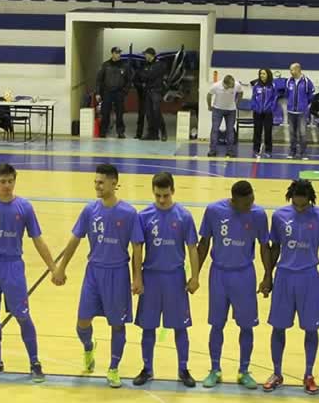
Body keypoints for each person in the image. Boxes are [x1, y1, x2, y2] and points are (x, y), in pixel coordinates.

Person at [52, 164, 144, 389]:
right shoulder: (89, 210)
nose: (97, 186)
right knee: (82, 321)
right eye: (95, 182)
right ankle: (88, 346)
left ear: (114, 183)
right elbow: (75, 240)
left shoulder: (129, 213)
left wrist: (137, 277)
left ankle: (113, 368)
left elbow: (137, 248)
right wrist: (61, 267)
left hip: (118, 273)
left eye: (101, 182)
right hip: (93, 272)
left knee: (118, 324)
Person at [0, 163, 57, 383]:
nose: (6, 186)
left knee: (22, 315)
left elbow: (38, 240)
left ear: (15, 181)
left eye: (10, 181)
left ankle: (34, 362)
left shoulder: (24, 207)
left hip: (13, 266)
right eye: (2, 181)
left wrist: (53, 267)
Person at [196, 180, 273, 389]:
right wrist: (194, 274)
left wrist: (268, 275)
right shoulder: (213, 211)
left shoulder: (258, 214)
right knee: (217, 324)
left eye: (252, 201)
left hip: (244, 275)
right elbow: (203, 244)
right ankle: (215, 369)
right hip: (219, 274)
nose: (250, 205)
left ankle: (244, 371)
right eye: (245, 203)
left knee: (247, 326)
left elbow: (265, 246)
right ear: (234, 199)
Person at [264, 179, 319, 394]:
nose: (300, 207)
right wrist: (267, 276)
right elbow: (274, 247)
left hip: (309, 277)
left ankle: (309, 373)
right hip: (284, 275)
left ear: (310, 200)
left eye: (304, 205)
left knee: (311, 328)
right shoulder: (279, 216)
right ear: (291, 198)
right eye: (296, 204)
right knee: (278, 326)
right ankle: (277, 372)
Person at [133, 173, 200, 387]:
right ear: (153, 191)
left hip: (175, 278)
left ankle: (183, 369)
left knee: (180, 327)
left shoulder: (184, 216)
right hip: (151, 277)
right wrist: (137, 278)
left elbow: (192, 248)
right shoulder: (143, 216)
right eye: (158, 195)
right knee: (148, 327)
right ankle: (147, 368)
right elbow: (137, 249)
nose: (162, 199)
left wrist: (195, 277)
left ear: (173, 190)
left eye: (165, 195)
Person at [95, 47, 131, 138]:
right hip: (107, 92)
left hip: (119, 93)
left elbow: (128, 80)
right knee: (105, 113)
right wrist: (98, 93)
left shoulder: (124, 65)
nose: (118, 54)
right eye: (116, 53)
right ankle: (103, 131)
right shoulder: (105, 65)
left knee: (119, 113)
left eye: (119, 53)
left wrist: (124, 92)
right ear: (112, 54)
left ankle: (120, 132)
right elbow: (99, 80)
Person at [206, 75, 242, 158]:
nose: (230, 88)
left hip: (231, 110)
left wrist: (237, 103)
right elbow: (209, 95)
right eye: (228, 87)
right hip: (217, 109)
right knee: (215, 129)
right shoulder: (216, 86)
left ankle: (230, 151)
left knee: (230, 130)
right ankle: (212, 150)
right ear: (224, 84)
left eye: (232, 87)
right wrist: (209, 106)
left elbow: (240, 93)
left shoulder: (237, 85)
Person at [285, 63, 315, 160]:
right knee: (292, 133)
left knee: (302, 133)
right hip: (290, 112)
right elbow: (287, 94)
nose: (291, 72)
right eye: (290, 70)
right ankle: (292, 152)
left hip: (302, 112)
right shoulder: (289, 81)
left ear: (298, 70)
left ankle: (303, 153)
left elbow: (311, 95)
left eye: (292, 70)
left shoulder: (306, 81)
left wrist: (304, 104)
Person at [138, 47, 168, 141]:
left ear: (150, 54)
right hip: (148, 92)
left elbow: (150, 75)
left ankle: (163, 132)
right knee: (149, 114)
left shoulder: (160, 64)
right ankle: (152, 134)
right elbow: (141, 76)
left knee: (157, 112)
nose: (144, 56)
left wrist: (147, 75)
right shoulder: (146, 65)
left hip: (156, 91)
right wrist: (146, 75)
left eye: (145, 54)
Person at [250, 68, 276, 158]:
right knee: (257, 132)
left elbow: (274, 99)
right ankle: (255, 150)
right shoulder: (256, 86)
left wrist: (271, 108)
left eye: (264, 74)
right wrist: (255, 107)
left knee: (268, 132)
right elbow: (253, 98)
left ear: (268, 75)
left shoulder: (272, 85)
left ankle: (268, 150)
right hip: (257, 113)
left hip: (268, 113)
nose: (262, 75)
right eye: (260, 74)